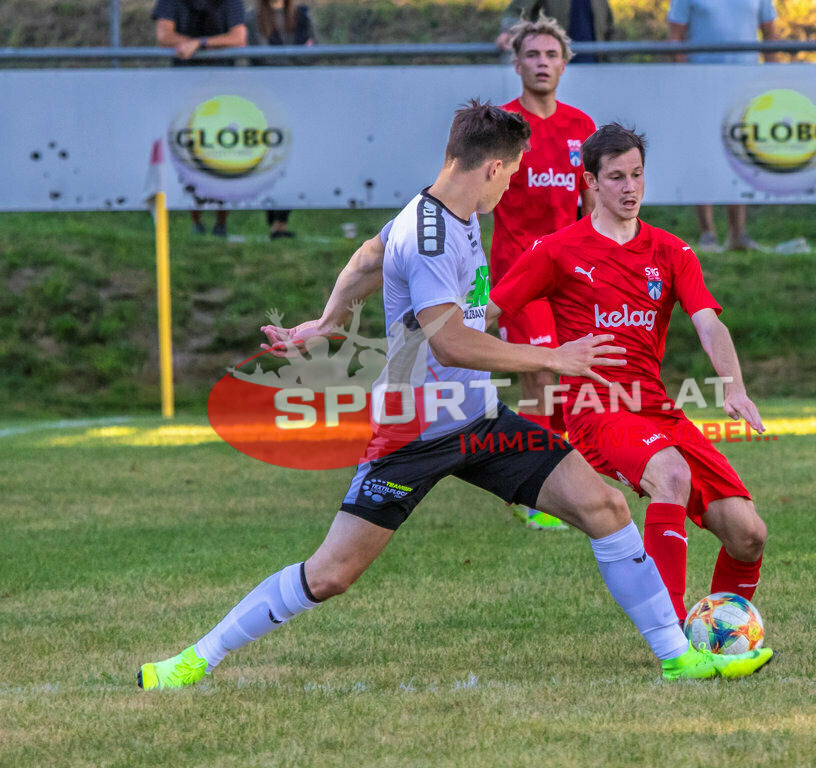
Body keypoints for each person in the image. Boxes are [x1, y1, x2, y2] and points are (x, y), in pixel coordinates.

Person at [136, 103, 773, 691]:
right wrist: (555, 356)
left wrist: (329, 320)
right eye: (514, 173)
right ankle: (194, 659)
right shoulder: (432, 236)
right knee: (330, 574)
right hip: (414, 431)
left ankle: (676, 657)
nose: (515, 186)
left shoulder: (448, 212)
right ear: (492, 167)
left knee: (604, 506)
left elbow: (367, 258)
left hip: (477, 418)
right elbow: (451, 345)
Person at [489, 123, 769, 623]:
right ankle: (673, 637)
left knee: (748, 534)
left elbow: (708, 324)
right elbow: (487, 315)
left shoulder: (671, 251)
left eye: (637, 175)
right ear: (590, 183)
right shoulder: (555, 251)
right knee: (672, 475)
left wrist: (733, 384)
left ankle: (726, 629)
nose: (630, 187)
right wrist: (424, 336)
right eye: (616, 177)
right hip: (596, 412)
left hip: (658, 411)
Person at [491, 15, 596, 531]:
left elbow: (591, 205)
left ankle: (564, 477)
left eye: (551, 55)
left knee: (570, 379)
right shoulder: (503, 126)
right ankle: (536, 491)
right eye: (532, 55)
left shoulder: (580, 126)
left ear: (564, 63)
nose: (542, 63)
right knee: (539, 374)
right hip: (518, 273)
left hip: (570, 275)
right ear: (516, 64)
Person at [666, 0, 779, 253]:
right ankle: (708, 234)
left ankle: (738, 234)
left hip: (745, 88)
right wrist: (684, 81)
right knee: (702, 155)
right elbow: (675, 38)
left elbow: (771, 37)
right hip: (700, 87)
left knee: (740, 154)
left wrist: (774, 81)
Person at [153, 0, 247, 237]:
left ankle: (220, 221)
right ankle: (195, 218)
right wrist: (189, 43)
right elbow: (163, 35)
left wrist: (200, 43)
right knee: (191, 155)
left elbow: (239, 37)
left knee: (223, 155)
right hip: (186, 89)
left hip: (222, 89)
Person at [246, 0, 317, 240]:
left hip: (297, 97)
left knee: (292, 158)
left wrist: (294, 58)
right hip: (267, 97)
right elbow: (263, 56)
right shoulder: (252, 18)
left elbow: (313, 52)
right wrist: (295, 58)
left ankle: (282, 222)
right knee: (270, 156)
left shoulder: (302, 16)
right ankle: (272, 218)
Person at [496, 0, 613, 64]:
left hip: (594, 67)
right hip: (554, 68)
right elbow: (515, 12)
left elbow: (609, 29)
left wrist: (612, 63)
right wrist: (509, 31)